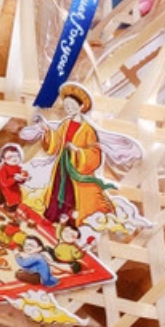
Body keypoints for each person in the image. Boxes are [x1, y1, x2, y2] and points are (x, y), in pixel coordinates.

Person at [27, 83, 115, 228]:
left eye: (73, 107)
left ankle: (71, 220)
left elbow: (95, 152)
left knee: (72, 193)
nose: (69, 110)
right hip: (61, 164)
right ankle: (54, 216)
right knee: (57, 188)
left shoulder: (88, 130)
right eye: (67, 107)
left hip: (76, 166)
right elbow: (56, 143)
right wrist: (47, 131)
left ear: (81, 107)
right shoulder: (65, 124)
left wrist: (77, 150)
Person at [0, 143, 26, 215]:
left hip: (14, 189)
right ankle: (8, 212)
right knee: (10, 202)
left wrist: (23, 179)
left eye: (16, 156)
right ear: (4, 159)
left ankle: (15, 212)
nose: (14, 158)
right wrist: (14, 179)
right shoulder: (3, 169)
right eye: (10, 157)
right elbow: (4, 182)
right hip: (4, 189)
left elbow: (21, 181)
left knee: (17, 200)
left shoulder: (18, 168)